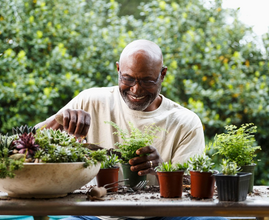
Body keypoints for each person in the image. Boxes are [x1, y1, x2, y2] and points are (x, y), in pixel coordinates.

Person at [36, 39, 227, 220]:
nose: (136, 90)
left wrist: (162, 170)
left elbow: (193, 188)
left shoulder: (185, 122)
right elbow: (26, 143)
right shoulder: (90, 101)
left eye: (147, 81)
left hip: (165, 215)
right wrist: (58, 119)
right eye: (128, 79)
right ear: (118, 69)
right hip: (96, 214)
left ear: (162, 75)